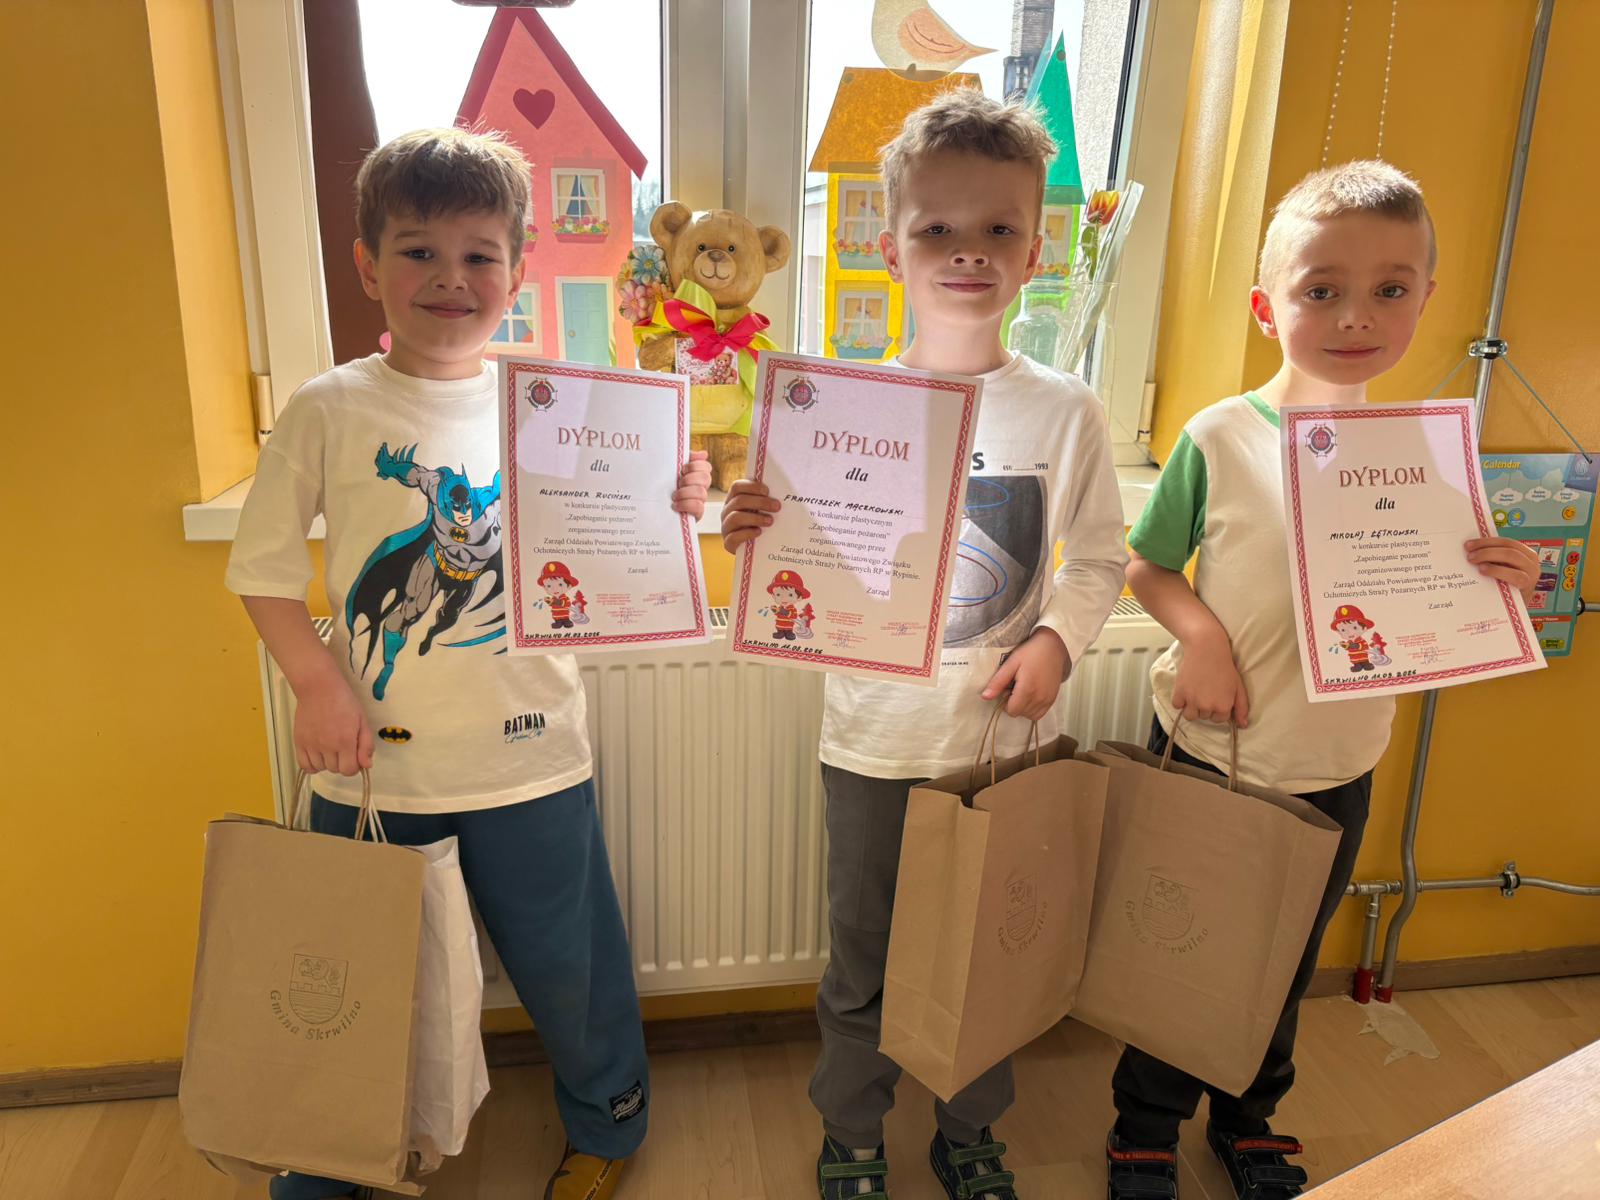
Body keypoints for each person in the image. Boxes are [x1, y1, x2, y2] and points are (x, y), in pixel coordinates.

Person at [226, 127, 711, 1200]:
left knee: (569, 966)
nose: (450, 277)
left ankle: (609, 1122)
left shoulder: (554, 404)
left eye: (479, 255)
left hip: (530, 757)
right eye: (419, 252)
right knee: (358, 970)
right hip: (373, 768)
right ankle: (336, 1149)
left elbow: (616, 532)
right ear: (368, 267)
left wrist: (675, 498)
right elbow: (262, 572)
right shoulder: (327, 408)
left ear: (517, 270)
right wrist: (316, 685)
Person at [1106, 160, 1540, 1200]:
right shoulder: (1219, 436)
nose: (1356, 315)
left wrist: (1508, 582)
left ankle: (1249, 1118)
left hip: (1336, 764)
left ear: (1425, 300)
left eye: (1390, 288)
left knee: (1283, 961)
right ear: (1269, 308)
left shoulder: (1427, 455)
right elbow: (1148, 566)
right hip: (1211, 752)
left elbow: (1439, 603)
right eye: (1321, 289)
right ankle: (1144, 1126)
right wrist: (1202, 638)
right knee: (1181, 952)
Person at [722, 89, 1127, 1200]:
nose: (968, 252)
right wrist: (754, 531)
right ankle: (851, 1132)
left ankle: (971, 1131)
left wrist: (1057, 643)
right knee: (864, 961)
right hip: (873, 743)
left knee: (986, 957)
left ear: (1036, 252)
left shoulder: (1067, 411)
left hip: (997, 748)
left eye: (998, 228)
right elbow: (802, 564)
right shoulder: (836, 403)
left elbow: (1097, 560)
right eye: (937, 227)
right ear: (888, 245)